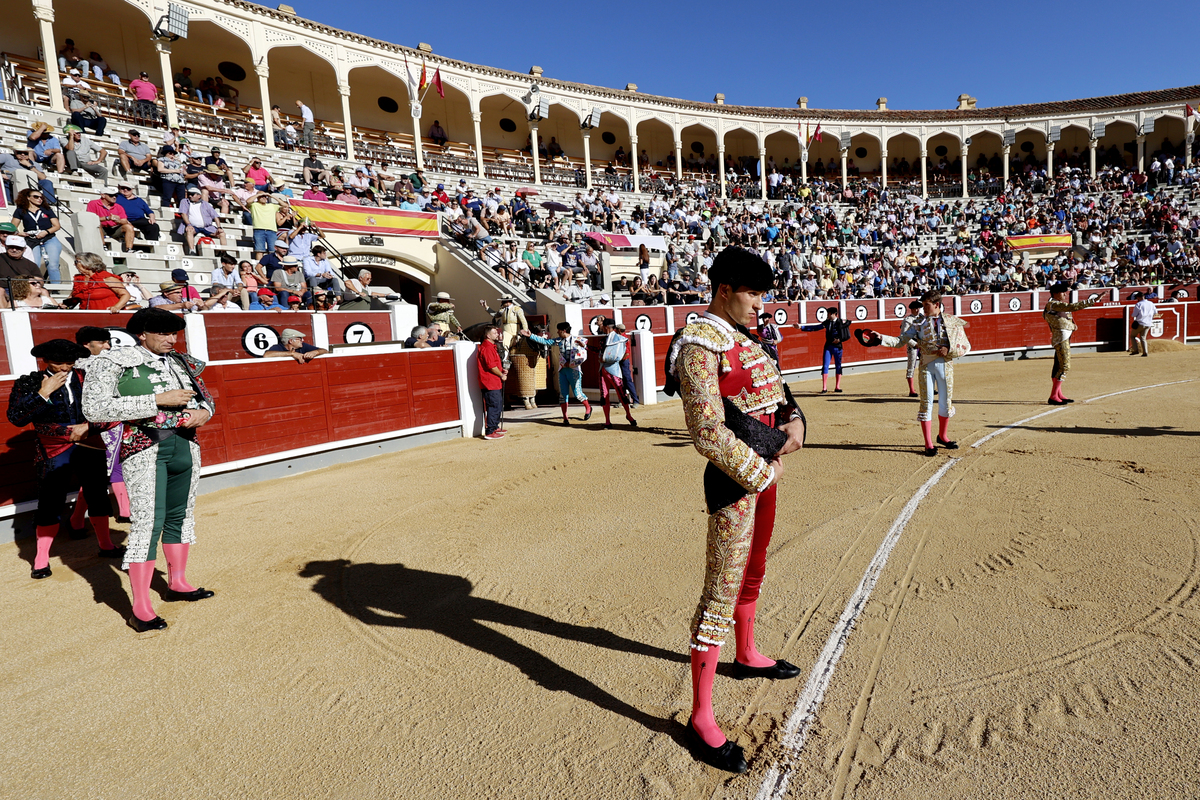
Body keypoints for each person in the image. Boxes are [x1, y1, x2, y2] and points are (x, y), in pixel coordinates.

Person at [664, 246, 806, 772]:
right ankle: (702, 714)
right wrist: (762, 470)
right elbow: (706, 431)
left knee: (755, 567)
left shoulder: (745, 337)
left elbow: (779, 392)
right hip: (735, 480)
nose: (759, 304)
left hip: (765, 470)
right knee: (721, 587)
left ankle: (746, 655)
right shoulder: (700, 344)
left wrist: (795, 424)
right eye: (752, 293)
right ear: (724, 289)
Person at [82, 308, 216, 633]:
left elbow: (205, 397)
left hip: (186, 446)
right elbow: (94, 408)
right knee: (146, 524)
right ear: (142, 333)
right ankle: (140, 607)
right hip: (144, 447)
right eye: (164, 334)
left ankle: (178, 583)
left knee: (180, 515)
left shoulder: (181, 360)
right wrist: (157, 399)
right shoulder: (111, 361)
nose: (172, 340)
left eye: (175, 334)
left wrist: (204, 413)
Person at [7, 339, 124, 578]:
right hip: (52, 448)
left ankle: (105, 544)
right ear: (46, 361)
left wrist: (90, 427)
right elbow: (16, 418)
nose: (64, 368)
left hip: (89, 442)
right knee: (50, 500)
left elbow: (114, 410)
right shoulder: (29, 382)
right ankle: (41, 558)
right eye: (58, 363)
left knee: (97, 494)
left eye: (69, 363)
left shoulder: (88, 379)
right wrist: (43, 392)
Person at [860, 290, 971, 456]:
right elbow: (900, 341)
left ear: (937, 305)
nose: (922, 309)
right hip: (926, 365)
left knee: (945, 403)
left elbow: (965, 345)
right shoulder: (918, 323)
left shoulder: (952, 321)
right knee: (926, 404)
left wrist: (949, 349)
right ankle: (928, 444)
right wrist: (880, 338)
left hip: (946, 366)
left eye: (926, 305)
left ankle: (943, 436)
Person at [524, 322, 593, 425]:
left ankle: (588, 407)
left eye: (558, 330)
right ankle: (565, 418)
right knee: (563, 394)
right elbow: (545, 341)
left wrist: (583, 346)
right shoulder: (559, 340)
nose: (557, 332)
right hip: (562, 370)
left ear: (563, 331)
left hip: (574, 370)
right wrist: (531, 336)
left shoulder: (577, 340)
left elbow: (584, 350)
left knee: (578, 394)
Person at [1042, 282, 1099, 404]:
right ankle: (1053, 396)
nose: (1065, 294)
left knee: (1058, 366)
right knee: (1065, 366)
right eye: (1063, 292)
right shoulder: (1052, 304)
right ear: (1056, 293)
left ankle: (1058, 393)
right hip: (1061, 338)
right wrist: (1092, 301)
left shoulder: (1057, 305)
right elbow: (1072, 307)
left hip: (1063, 337)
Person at [11, 187, 63, 281]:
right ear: (28, 197)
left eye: (41, 197)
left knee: (52, 264)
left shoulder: (46, 209)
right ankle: (35, 288)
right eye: (36, 197)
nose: (39, 199)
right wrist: (19, 233)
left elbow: (57, 226)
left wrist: (46, 232)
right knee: (34, 265)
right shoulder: (20, 210)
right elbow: (13, 227)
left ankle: (56, 289)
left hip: (49, 238)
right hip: (31, 239)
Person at [799, 307, 852, 393]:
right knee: (825, 365)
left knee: (838, 366)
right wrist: (802, 327)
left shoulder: (841, 322)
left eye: (829, 313)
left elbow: (846, 335)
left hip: (838, 346)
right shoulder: (827, 322)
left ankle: (837, 387)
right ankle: (824, 388)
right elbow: (816, 327)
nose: (827, 315)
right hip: (828, 346)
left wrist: (840, 340)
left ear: (834, 314)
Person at [596, 319, 637, 428]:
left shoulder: (618, 339)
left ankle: (628, 416)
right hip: (604, 370)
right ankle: (608, 421)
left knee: (618, 393)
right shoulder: (618, 339)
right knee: (606, 395)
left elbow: (621, 355)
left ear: (605, 327)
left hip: (612, 370)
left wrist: (606, 359)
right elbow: (600, 353)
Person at [476, 324, 507, 440]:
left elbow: (494, 365)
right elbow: (491, 366)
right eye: (495, 333)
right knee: (494, 405)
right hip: (490, 381)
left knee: (497, 404)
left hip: (493, 381)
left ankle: (494, 427)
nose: (497, 334)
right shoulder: (487, 348)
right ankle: (490, 431)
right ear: (488, 335)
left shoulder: (490, 346)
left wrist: (501, 371)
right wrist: (501, 374)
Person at [900, 299, 923, 397]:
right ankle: (912, 390)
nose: (917, 310)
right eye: (915, 308)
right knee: (911, 367)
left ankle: (926, 387)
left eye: (918, 308)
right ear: (912, 309)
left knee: (926, 366)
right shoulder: (907, 320)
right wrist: (914, 344)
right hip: (913, 346)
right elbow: (903, 335)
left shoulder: (923, 318)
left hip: (922, 345)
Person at [1131, 291, 1159, 357]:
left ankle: (1135, 350)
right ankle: (1145, 352)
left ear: (1138, 297)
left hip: (1140, 323)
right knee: (1143, 338)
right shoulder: (1151, 303)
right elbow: (1155, 312)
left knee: (1132, 336)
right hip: (1148, 323)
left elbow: (1134, 315)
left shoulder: (1138, 304)